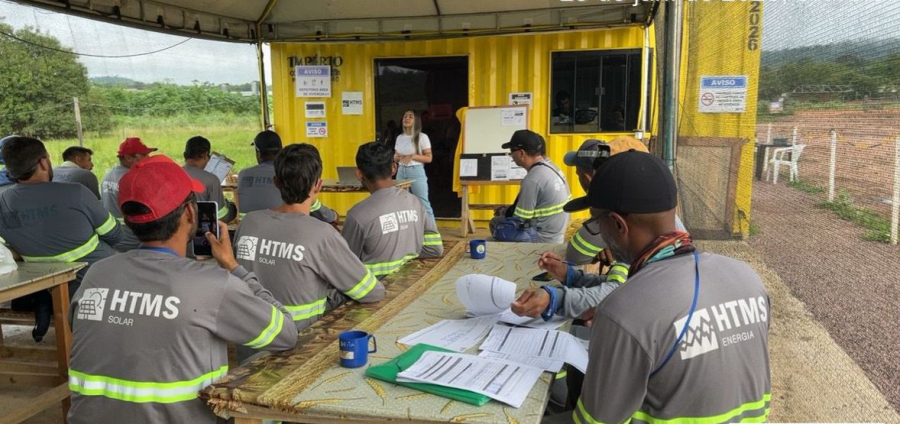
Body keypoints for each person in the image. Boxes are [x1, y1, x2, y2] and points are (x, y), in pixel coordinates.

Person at [67, 155, 298, 424]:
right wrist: (234, 267)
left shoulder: (98, 274)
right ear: (190, 213)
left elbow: (83, 326)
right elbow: (285, 335)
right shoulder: (212, 284)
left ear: (130, 220)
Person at [562, 151, 771, 424]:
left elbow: (596, 421)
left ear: (616, 223)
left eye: (596, 221)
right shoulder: (747, 278)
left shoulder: (623, 311)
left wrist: (615, 333)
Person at [234, 145, 384, 360]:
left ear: (276, 182)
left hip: (248, 350)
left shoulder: (249, 222)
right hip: (296, 351)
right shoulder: (321, 233)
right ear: (318, 185)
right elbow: (371, 292)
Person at [0, 136, 121, 341]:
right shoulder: (76, 193)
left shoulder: (2, 202)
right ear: (44, 162)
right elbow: (114, 234)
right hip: (101, 282)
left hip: (46, 288)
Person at [343, 142, 443, 277]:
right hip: (409, 279)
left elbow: (345, 265)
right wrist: (405, 253)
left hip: (373, 285)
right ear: (394, 168)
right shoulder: (414, 202)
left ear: (359, 174)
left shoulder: (357, 215)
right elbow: (435, 249)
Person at [237, 131, 338, 224]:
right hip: (285, 229)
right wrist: (333, 216)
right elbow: (309, 204)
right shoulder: (289, 174)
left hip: (250, 229)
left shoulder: (243, 174)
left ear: (258, 152)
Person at [490, 130, 570, 243]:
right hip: (556, 233)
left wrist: (504, 212)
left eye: (512, 151)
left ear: (521, 153)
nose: (511, 156)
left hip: (542, 237)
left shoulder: (532, 180)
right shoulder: (551, 167)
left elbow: (519, 220)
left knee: (496, 223)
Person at [102, 137, 157, 251]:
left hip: (114, 236)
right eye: (144, 155)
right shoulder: (133, 178)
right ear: (128, 158)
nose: (148, 158)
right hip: (132, 238)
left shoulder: (108, 175)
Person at [182, 136, 237, 223]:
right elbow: (220, 216)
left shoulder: (173, 176)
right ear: (205, 154)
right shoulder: (211, 180)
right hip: (201, 231)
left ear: (185, 154)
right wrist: (231, 207)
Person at [393, 109, 435, 221]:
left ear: (416, 120)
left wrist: (412, 156)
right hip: (401, 170)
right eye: (405, 116)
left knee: (423, 203)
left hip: (416, 171)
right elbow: (395, 156)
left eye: (410, 117)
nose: (406, 119)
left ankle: (432, 234)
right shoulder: (400, 137)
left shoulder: (422, 137)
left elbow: (429, 158)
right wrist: (395, 158)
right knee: (400, 203)